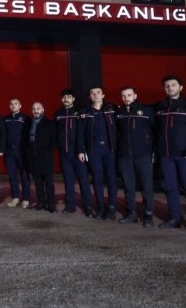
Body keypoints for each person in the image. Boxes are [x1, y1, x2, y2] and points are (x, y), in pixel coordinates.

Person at [154, 75, 186, 233]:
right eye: (167, 86)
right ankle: (174, 218)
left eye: (173, 85)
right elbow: (156, 130)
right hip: (166, 155)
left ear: (181, 87)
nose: (170, 88)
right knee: (170, 188)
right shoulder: (160, 107)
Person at [115, 86, 155, 227]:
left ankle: (148, 215)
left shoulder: (146, 111)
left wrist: (151, 150)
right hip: (124, 156)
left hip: (143, 155)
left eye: (129, 95)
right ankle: (131, 213)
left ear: (135, 96)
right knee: (128, 187)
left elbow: (155, 131)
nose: (126, 98)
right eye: (123, 96)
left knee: (146, 187)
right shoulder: (118, 113)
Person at [77, 86, 117, 221]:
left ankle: (111, 207)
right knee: (97, 179)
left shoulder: (112, 109)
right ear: (89, 97)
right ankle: (100, 206)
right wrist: (80, 150)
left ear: (103, 95)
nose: (95, 95)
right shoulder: (84, 112)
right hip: (94, 151)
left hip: (110, 149)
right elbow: (80, 133)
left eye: (98, 92)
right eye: (92, 93)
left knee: (111, 179)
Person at [53, 89, 94, 217]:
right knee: (68, 180)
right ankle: (70, 205)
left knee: (83, 180)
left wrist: (83, 149)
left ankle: (88, 206)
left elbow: (85, 132)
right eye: (64, 97)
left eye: (69, 97)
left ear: (73, 99)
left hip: (78, 153)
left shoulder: (79, 112)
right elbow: (55, 132)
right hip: (64, 153)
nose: (66, 99)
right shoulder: (58, 114)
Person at [25, 102, 56, 212]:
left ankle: (51, 205)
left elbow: (54, 141)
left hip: (46, 158)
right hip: (34, 158)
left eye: (38, 108)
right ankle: (41, 203)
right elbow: (27, 141)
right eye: (33, 109)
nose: (36, 111)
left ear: (43, 110)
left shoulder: (49, 123)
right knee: (37, 183)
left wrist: (47, 152)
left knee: (48, 183)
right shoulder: (29, 123)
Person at [4, 98, 31, 208]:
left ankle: (26, 199)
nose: (13, 105)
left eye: (16, 104)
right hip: (9, 151)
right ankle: (15, 198)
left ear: (20, 106)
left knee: (24, 176)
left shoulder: (26, 118)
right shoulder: (6, 119)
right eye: (11, 104)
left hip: (21, 151)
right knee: (12, 176)